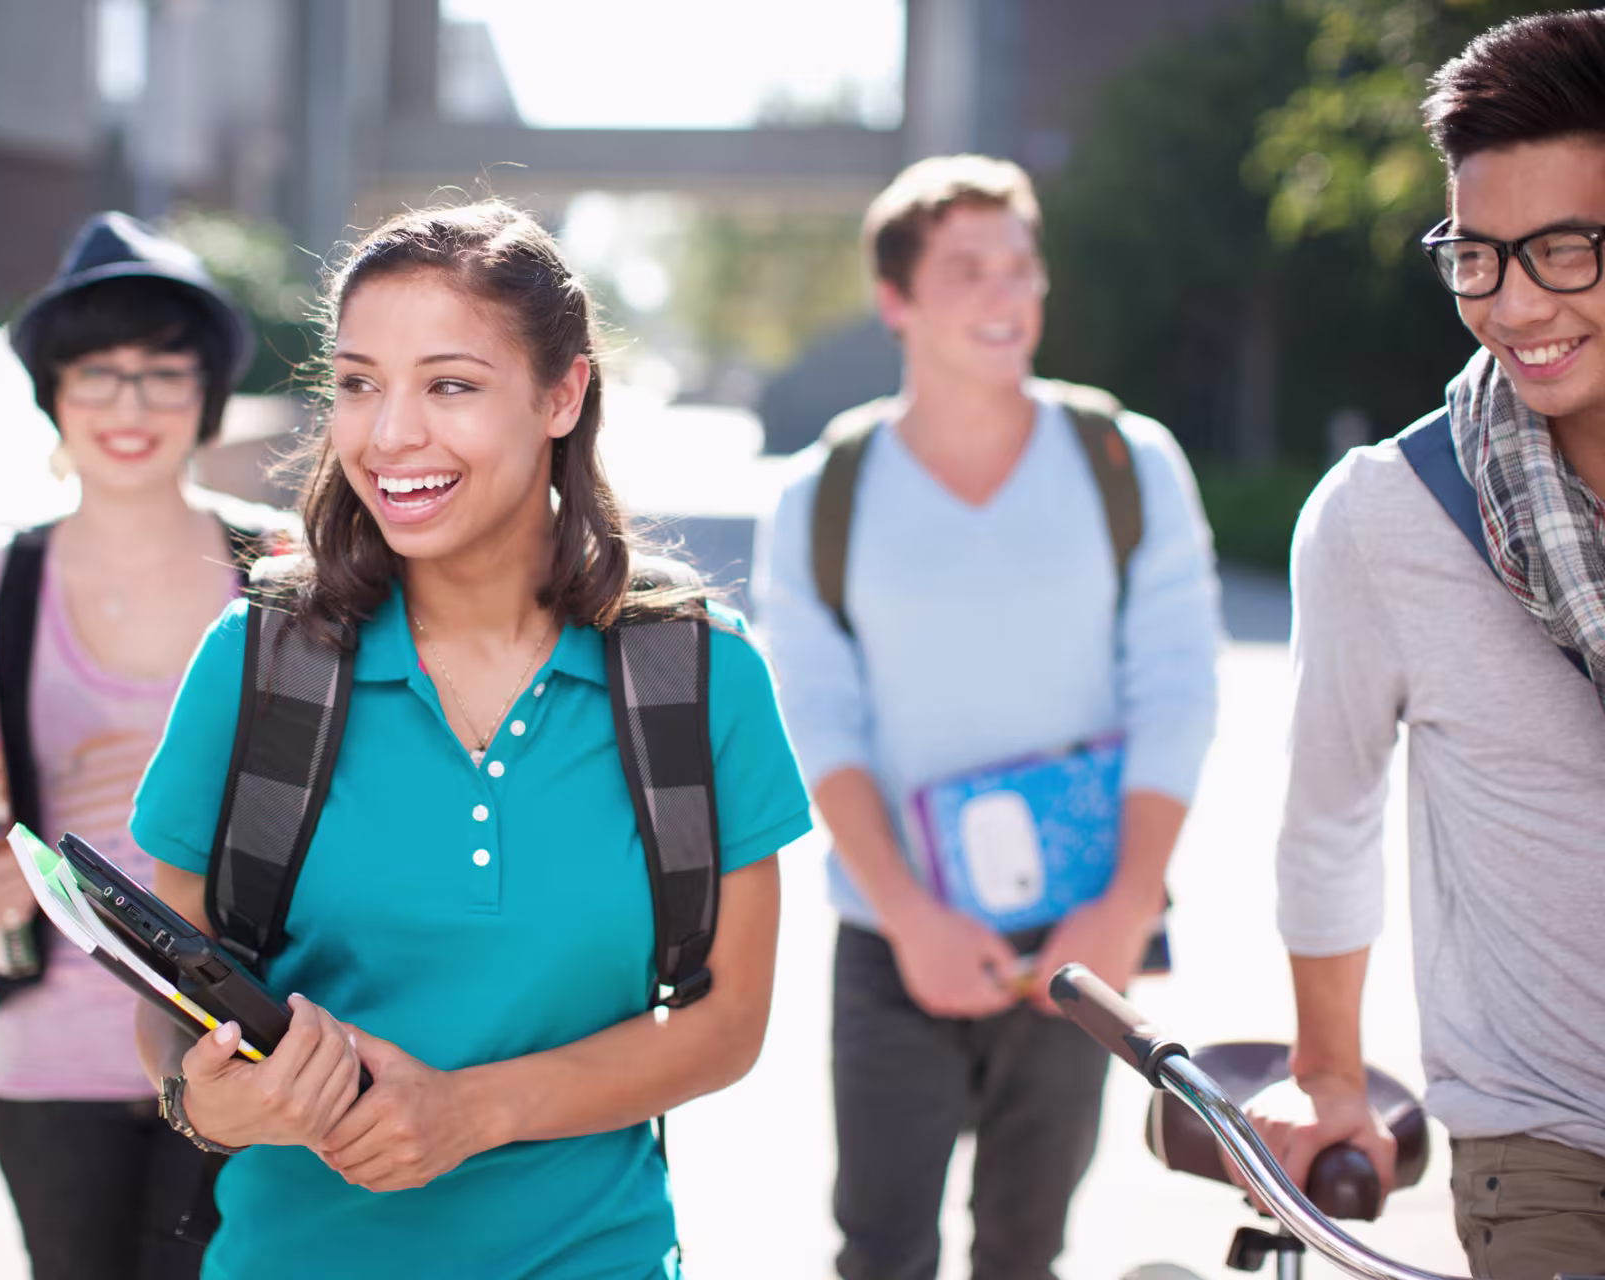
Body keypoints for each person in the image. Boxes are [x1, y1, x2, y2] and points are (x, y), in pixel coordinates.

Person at [127, 200, 813, 1279]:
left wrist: (467, 1111)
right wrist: (207, 1098)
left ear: (562, 393)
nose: (390, 433)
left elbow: (728, 1020)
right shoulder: (255, 663)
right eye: (358, 382)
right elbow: (172, 1003)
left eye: (449, 384)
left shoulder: (700, 676)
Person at [755, 155, 1221, 1280]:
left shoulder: (1128, 461)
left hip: (1080, 940)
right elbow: (821, 720)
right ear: (898, 300)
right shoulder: (824, 492)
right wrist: (911, 913)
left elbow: (1176, 689)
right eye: (968, 269)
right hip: (892, 939)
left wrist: (1124, 902)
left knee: (1027, 1247)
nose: (1007, 294)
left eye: (1022, 266)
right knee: (881, 1247)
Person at [1249, 12, 1605, 1278]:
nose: (1516, 304)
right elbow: (1330, 818)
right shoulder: (1386, 515)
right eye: (1478, 256)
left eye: (1564, 251)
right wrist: (1329, 1073)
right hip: (1549, 1136)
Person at [0, 211, 277, 1280]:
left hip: (241, 1045)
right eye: (98, 374)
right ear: (54, 397)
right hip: (50, 1059)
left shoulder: (282, 570)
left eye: (165, 374)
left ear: (206, 396)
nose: (131, 406)